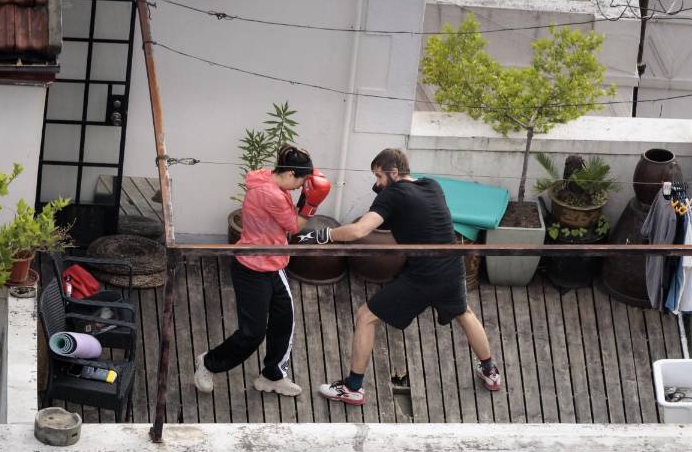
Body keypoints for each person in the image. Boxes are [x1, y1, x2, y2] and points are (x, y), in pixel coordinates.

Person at [298, 148, 501, 405]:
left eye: (379, 177)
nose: (377, 184)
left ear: (393, 172)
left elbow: (360, 230)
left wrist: (322, 235)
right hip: (452, 265)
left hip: (424, 274)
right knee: (465, 313)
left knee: (366, 316)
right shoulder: (432, 185)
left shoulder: (393, 194)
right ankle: (490, 371)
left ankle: (353, 387)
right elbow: (421, 218)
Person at [194, 146, 332, 397]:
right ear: (290, 174)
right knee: (252, 333)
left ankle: (273, 375)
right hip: (251, 268)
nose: (301, 186)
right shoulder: (272, 194)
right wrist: (310, 201)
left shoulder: (267, 176)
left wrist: (307, 180)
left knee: (284, 320)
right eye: (300, 181)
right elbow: (293, 225)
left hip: (274, 264)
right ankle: (208, 363)